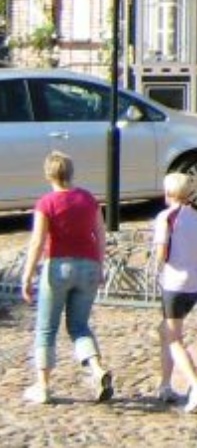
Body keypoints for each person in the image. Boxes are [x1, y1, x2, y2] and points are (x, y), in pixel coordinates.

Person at [19, 151, 114, 405]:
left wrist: (27, 275)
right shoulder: (88, 199)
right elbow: (100, 234)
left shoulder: (46, 203)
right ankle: (97, 370)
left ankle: (43, 386)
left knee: (47, 328)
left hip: (58, 266)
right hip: (89, 265)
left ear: (48, 174)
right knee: (79, 326)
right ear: (71, 173)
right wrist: (100, 265)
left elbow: (38, 241)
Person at [151, 171, 197, 413]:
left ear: (168, 193)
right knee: (164, 330)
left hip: (174, 283)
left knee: (173, 338)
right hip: (195, 283)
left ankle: (196, 386)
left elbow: (160, 253)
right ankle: (165, 385)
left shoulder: (165, 218)